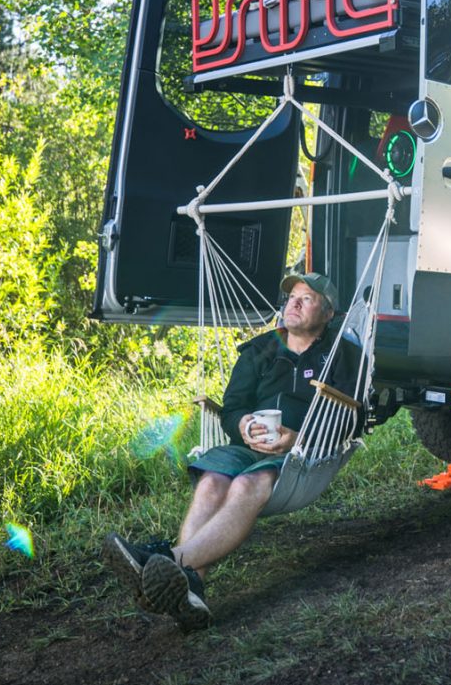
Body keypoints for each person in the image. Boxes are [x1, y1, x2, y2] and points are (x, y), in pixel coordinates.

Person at [102, 271, 359, 632]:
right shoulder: (259, 350)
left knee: (245, 486)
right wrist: (242, 425)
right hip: (246, 447)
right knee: (211, 483)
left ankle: (166, 560)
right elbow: (233, 407)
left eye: (307, 299)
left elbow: (351, 418)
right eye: (292, 298)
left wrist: (297, 438)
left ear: (328, 313)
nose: (294, 304)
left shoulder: (343, 356)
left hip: (301, 455)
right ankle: (190, 590)